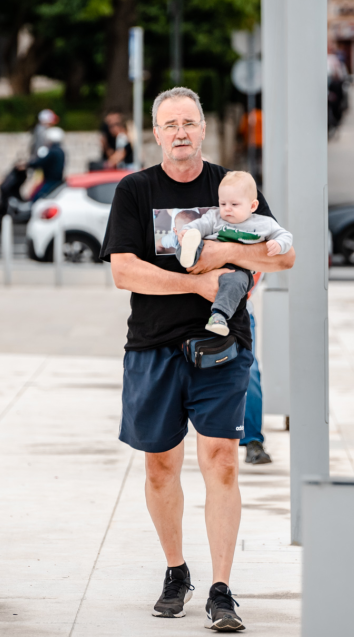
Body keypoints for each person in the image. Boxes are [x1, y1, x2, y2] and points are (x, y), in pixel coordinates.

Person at [101, 86, 295, 631]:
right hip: (153, 347)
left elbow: (285, 254)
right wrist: (199, 286)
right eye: (170, 124)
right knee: (161, 465)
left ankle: (221, 588)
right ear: (156, 133)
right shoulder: (135, 191)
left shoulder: (230, 187)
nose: (180, 132)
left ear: (204, 129)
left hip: (223, 348)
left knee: (223, 461)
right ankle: (176, 570)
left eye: (189, 122)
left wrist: (225, 254)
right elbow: (123, 271)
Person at [175, 170, 292, 337]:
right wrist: (186, 231)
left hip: (237, 268)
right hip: (204, 260)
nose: (227, 209)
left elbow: (286, 235)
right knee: (194, 240)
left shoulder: (263, 223)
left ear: (252, 206)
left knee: (237, 282)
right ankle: (187, 255)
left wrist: (279, 244)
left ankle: (218, 317)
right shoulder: (215, 217)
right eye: (223, 204)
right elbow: (199, 225)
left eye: (234, 205)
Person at [241, 305, 271, 464]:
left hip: (237, 312)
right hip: (184, 313)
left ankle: (253, 441)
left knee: (249, 371)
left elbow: (256, 278)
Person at [27, 127, 65, 200]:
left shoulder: (53, 151)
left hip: (50, 180)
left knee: (36, 197)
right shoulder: (59, 150)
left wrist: (29, 164)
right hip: (55, 179)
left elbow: (41, 162)